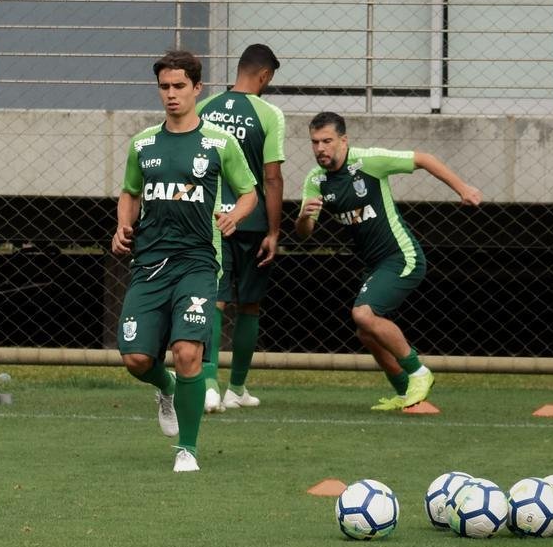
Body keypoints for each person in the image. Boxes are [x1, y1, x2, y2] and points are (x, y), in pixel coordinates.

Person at [112, 50, 257, 472]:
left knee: (187, 350)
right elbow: (130, 192)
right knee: (136, 359)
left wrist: (236, 214)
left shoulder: (218, 142)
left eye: (179, 86)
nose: (171, 95)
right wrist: (123, 225)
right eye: (164, 87)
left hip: (197, 262)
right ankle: (166, 386)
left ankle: (187, 449)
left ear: (197, 89)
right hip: (149, 263)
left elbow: (249, 191)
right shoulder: (143, 143)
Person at [295, 111, 482, 410]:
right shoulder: (315, 180)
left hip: (402, 256)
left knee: (363, 314)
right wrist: (304, 217)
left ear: (344, 140)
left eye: (327, 141)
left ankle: (419, 372)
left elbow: (423, 158)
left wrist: (463, 189)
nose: (320, 148)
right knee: (365, 331)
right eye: (315, 142)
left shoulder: (368, 161)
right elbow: (304, 233)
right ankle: (404, 391)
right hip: (374, 265)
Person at [196, 43, 285, 412]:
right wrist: (275, 231)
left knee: (212, 301)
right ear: (264, 75)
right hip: (253, 221)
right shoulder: (269, 113)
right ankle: (236, 388)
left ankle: (207, 386)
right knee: (249, 306)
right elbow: (273, 177)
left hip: (213, 220)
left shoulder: (204, 108)